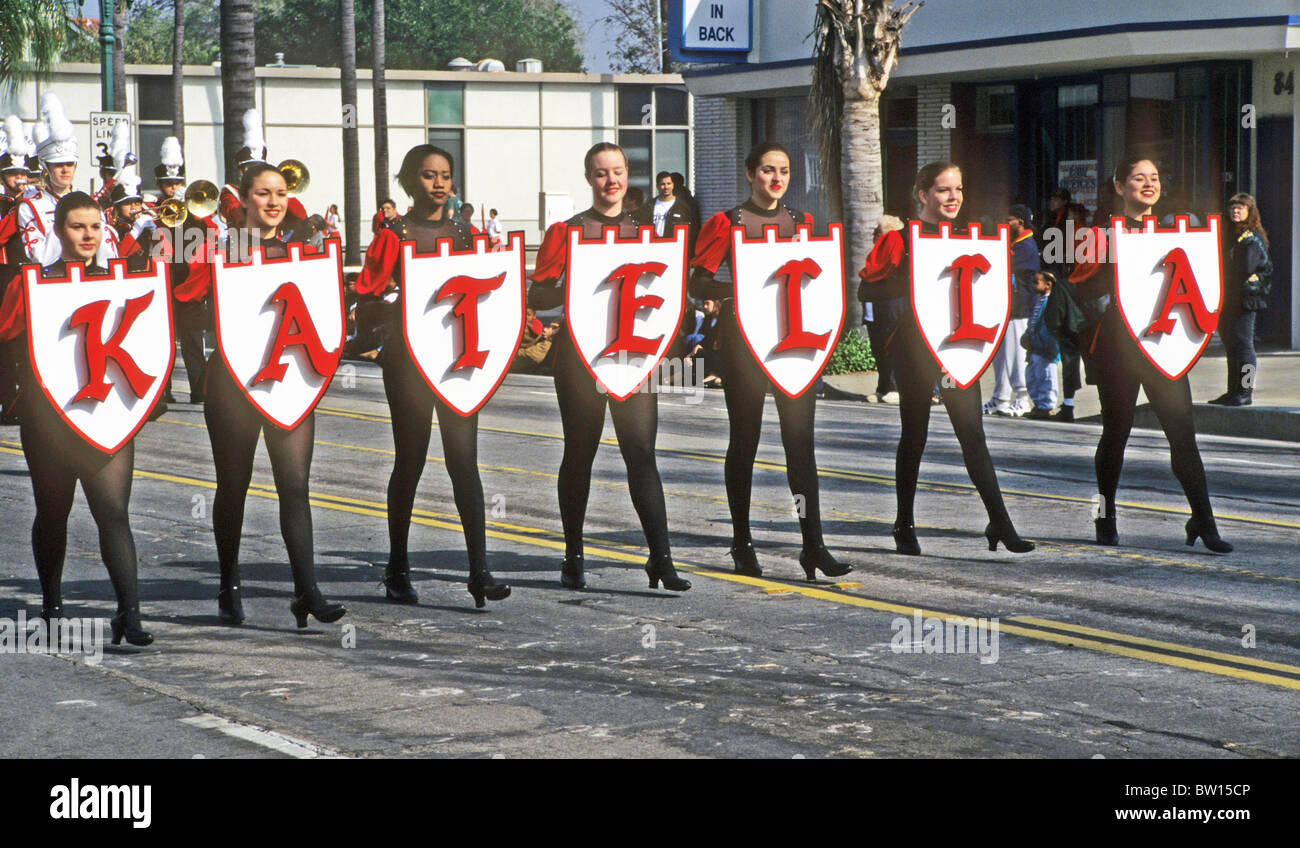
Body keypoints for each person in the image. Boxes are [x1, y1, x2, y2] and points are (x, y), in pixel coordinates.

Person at [176, 161, 349, 626]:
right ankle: (229, 583)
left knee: (295, 486)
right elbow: (184, 301)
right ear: (244, 199)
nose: (273, 202)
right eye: (262, 194)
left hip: (289, 380)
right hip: (233, 383)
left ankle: (307, 589)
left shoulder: (301, 251)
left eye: (279, 193)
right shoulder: (217, 250)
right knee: (234, 486)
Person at [527, 141, 690, 592]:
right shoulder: (567, 232)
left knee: (641, 452)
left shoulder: (646, 231)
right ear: (589, 179)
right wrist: (564, 285)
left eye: (617, 171)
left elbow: (671, 297)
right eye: (601, 173)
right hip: (582, 361)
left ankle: (661, 558)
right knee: (580, 453)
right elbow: (537, 296)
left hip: (634, 360)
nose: (611, 181)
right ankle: (573, 554)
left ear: (627, 175)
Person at [354, 144, 510, 608]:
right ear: (408, 182)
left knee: (465, 461)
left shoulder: (468, 232)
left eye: (445, 175)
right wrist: (394, 305)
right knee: (411, 461)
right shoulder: (393, 234)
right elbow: (365, 298)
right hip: (408, 362)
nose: (438, 183)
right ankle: (398, 567)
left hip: (457, 362)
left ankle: (479, 570)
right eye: (427, 175)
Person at [689, 141, 852, 581]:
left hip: (793, 345)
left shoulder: (803, 221)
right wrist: (734, 294)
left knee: (801, 444)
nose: (776, 178)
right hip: (744, 345)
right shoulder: (726, 222)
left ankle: (813, 545)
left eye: (782, 170)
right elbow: (698, 280)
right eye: (766, 170)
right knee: (746, 442)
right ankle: (741, 542)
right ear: (749, 174)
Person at [0, 192, 155, 644]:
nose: (87, 236)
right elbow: (6, 335)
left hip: (104, 413)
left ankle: (131, 614)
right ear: (59, 231)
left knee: (114, 513)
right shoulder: (30, 282)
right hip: (48, 418)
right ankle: (51, 604)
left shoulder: (120, 280)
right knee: (53, 512)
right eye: (76, 227)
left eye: (94, 227)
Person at [858, 161, 1034, 556]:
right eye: (943, 190)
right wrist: (909, 280)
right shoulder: (899, 240)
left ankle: (1001, 522)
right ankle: (903, 524)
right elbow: (866, 293)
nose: (953, 197)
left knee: (972, 434)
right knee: (914, 435)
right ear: (923, 195)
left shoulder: (970, 240)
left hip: (957, 352)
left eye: (958, 189)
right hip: (914, 350)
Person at [1069, 156, 1230, 552]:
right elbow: (1078, 287)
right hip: (1118, 347)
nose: (1148, 184)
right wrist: (1113, 267)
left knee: (1183, 435)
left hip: (1166, 346)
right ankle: (1105, 517)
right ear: (1119, 186)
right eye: (1138, 178)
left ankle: (1204, 520)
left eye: (1154, 177)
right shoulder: (1100, 234)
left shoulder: (1175, 232)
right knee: (1116, 433)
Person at [1209, 193, 1271, 407]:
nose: (1235, 211)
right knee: (1231, 345)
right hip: (1230, 298)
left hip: (1245, 299)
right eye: (1233, 207)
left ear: (1249, 212)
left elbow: (1245, 269)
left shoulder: (1251, 238)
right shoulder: (1233, 235)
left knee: (1244, 346)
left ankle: (1245, 390)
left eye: (1240, 208)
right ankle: (1233, 391)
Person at [984, 204, 1038, 416]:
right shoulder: (1015, 243)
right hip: (1009, 308)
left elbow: (1005, 266)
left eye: (1010, 220)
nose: (1006, 224)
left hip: (1021, 309)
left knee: (1017, 355)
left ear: (1021, 223)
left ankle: (1023, 398)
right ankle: (1000, 398)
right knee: (1003, 356)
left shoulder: (1026, 245)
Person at [863, 215, 904, 404]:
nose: (874, 234)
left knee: (891, 347)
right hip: (872, 307)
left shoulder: (895, 253)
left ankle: (894, 387)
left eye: (878, 231)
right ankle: (883, 387)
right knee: (877, 348)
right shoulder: (875, 253)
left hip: (889, 307)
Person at [1021, 271, 1059, 420]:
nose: (1033, 285)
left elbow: (1048, 328)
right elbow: (1033, 323)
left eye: (1036, 282)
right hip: (1035, 349)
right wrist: (1027, 338)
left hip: (1046, 350)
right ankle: (1038, 405)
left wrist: (1039, 342)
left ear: (1048, 284)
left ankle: (1047, 406)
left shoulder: (1051, 303)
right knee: (1032, 376)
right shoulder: (1038, 301)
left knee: (1046, 377)